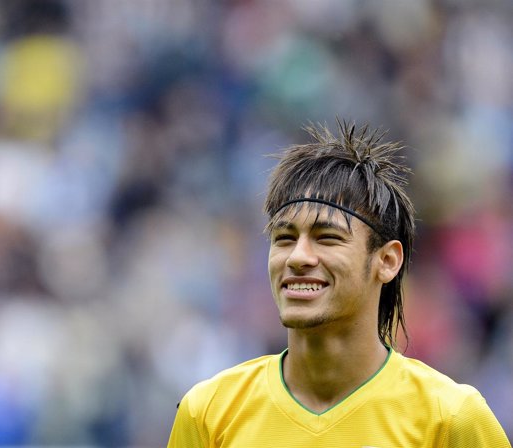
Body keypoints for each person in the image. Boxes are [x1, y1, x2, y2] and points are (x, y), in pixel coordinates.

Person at [167, 121, 511, 447]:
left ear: (387, 261)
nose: (297, 257)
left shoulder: (451, 419)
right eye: (284, 238)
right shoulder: (209, 413)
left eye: (327, 237)